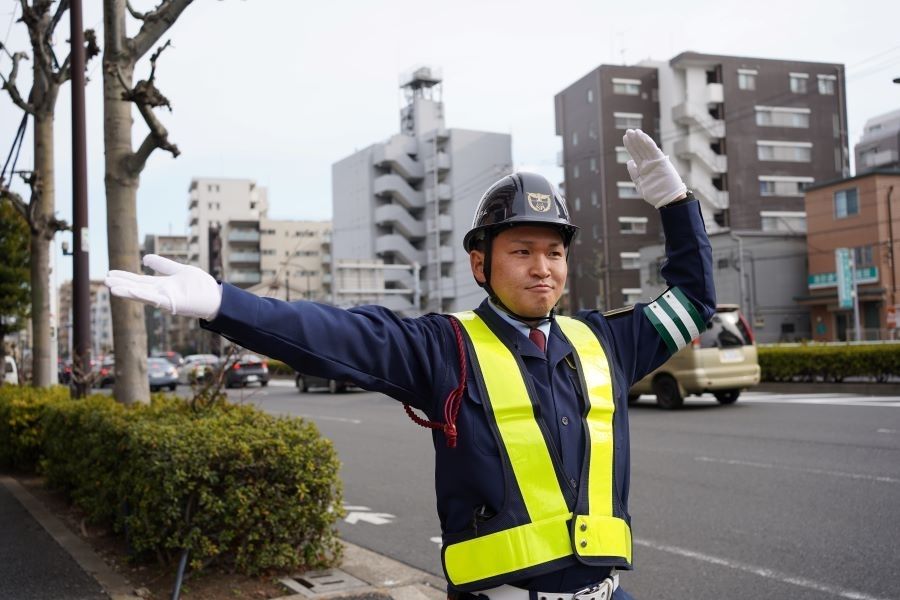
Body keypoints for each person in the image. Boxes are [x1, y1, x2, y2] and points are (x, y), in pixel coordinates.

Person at [106, 129, 715, 600]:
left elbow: (692, 301)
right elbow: (335, 334)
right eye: (522, 250)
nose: (543, 267)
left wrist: (677, 205)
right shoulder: (444, 348)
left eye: (555, 252)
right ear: (481, 264)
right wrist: (220, 302)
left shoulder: (601, 341)